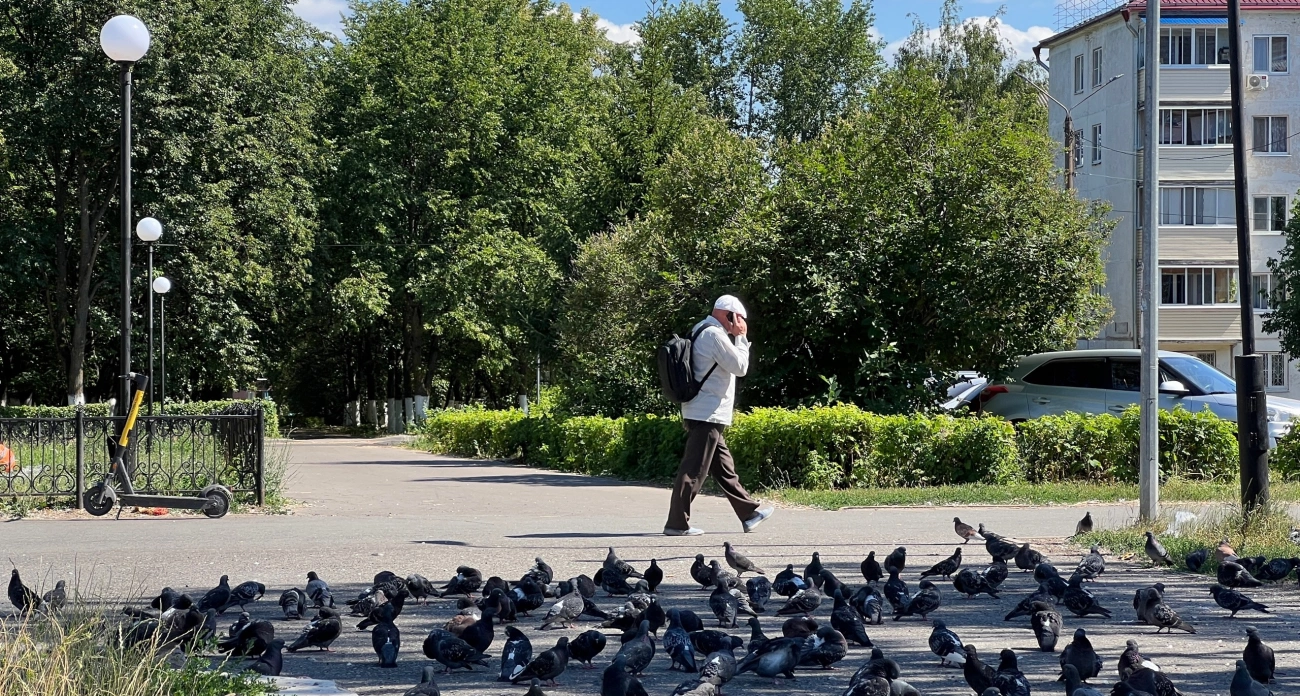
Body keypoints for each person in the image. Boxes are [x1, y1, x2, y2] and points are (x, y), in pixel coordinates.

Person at [664, 295, 773, 536]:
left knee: (724, 469)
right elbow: (740, 367)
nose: (742, 323)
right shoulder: (714, 335)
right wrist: (741, 338)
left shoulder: (700, 328)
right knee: (693, 470)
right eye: (739, 318)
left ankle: (749, 514)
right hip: (708, 413)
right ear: (728, 315)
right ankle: (676, 523)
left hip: (703, 410)